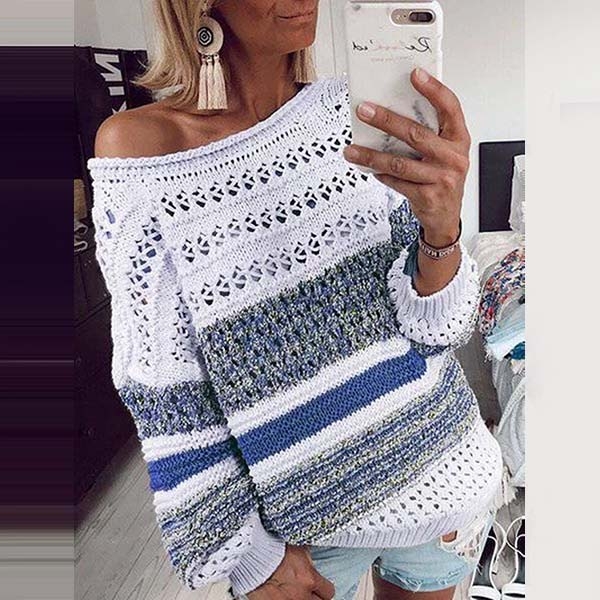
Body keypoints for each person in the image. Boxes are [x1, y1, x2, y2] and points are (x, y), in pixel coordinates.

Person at [87, 1, 505, 599]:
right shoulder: (140, 150)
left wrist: (442, 230)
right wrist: (249, 557)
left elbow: (439, 330)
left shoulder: (357, 114)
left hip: (443, 473)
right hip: (302, 533)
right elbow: (159, 380)